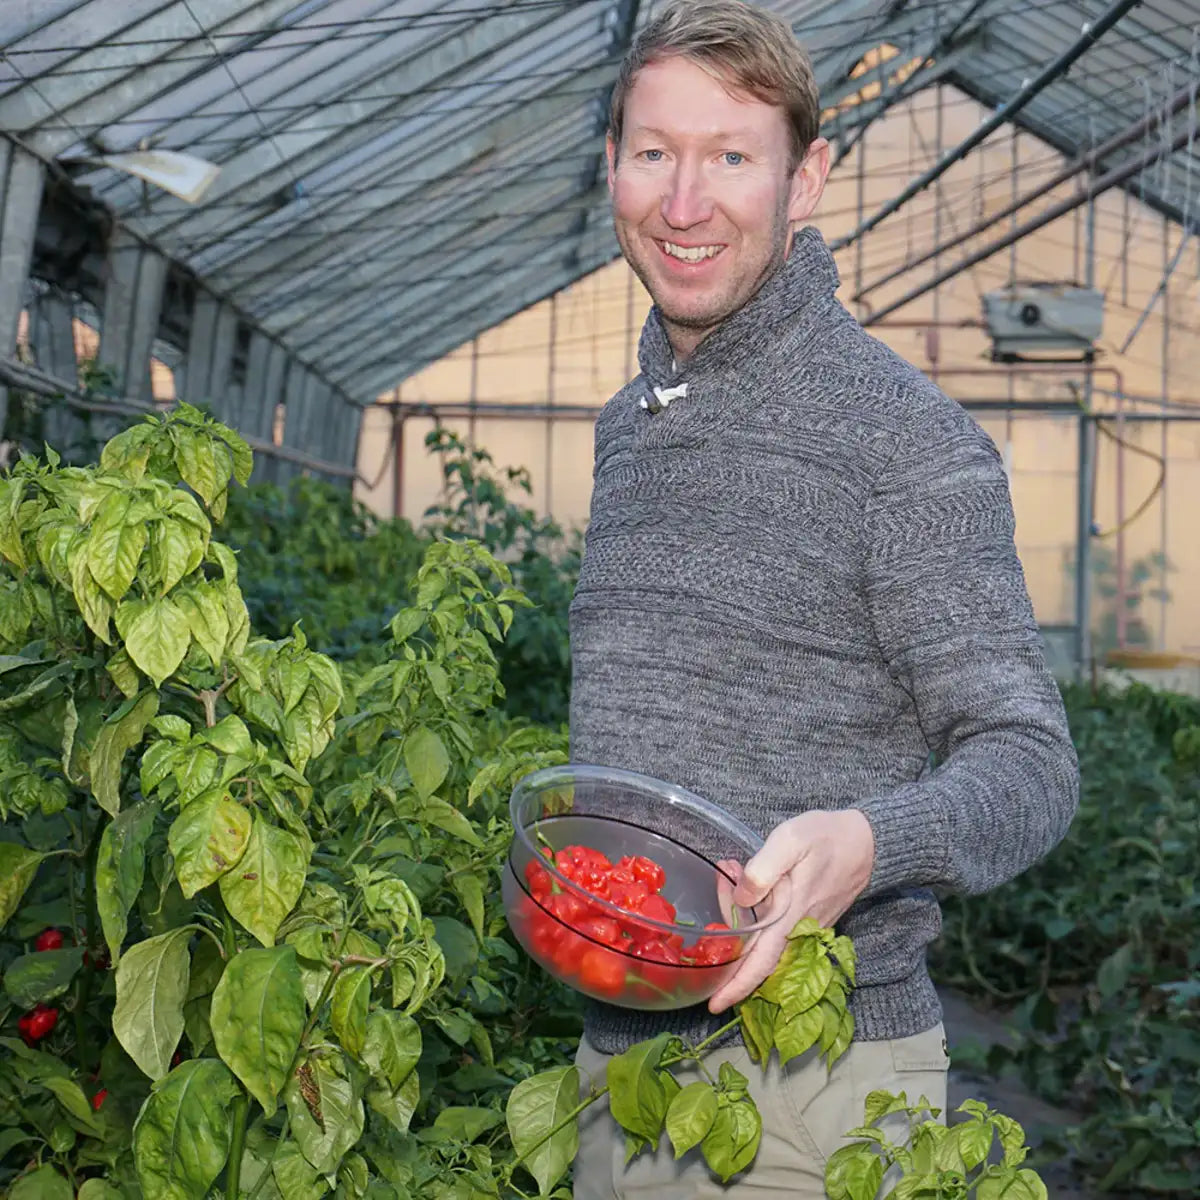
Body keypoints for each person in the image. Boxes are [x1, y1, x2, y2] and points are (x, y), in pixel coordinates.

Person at [565, 0, 1081, 1195]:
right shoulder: (629, 430)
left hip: (809, 1090)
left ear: (807, 181)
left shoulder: (904, 445)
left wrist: (868, 843)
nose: (684, 205)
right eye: (655, 154)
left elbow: (1031, 764)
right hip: (618, 1057)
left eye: (732, 158)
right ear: (612, 170)